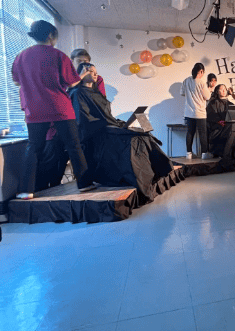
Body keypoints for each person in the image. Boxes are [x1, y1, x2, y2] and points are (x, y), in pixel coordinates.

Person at [11, 20, 95, 199]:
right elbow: (72, 83)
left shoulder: (21, 56)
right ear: (50, 36)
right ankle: (84, 184)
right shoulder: (58, 55)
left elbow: (17, 82)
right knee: (73, 145)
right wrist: (81, 76)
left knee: (34, 147)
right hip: (59, 107)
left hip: (34, 109)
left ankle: (26, 190)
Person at [69, 63, 174, 203]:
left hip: (109, 125)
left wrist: (115, 124)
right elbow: (84, 120)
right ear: (82, 74)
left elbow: (106, 115)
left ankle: (158, 171)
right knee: (133, 139)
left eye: (96, 71)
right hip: (96, 132)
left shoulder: (96, 92)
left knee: (144, 134)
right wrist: (110, 125)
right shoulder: (78, 93)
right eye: (91, 71)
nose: (95, 74)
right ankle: (138, 179)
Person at [180, 63, 212, 160]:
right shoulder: (201, 83)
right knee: (202, 133)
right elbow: (208, 97)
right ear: (201, 71)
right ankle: (204, 154)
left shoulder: (186, 80)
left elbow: (182, 93)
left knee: (190, 132)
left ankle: (188, 154)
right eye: (203, 72)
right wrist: (209, 90)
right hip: (200, 113)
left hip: (189, 112)